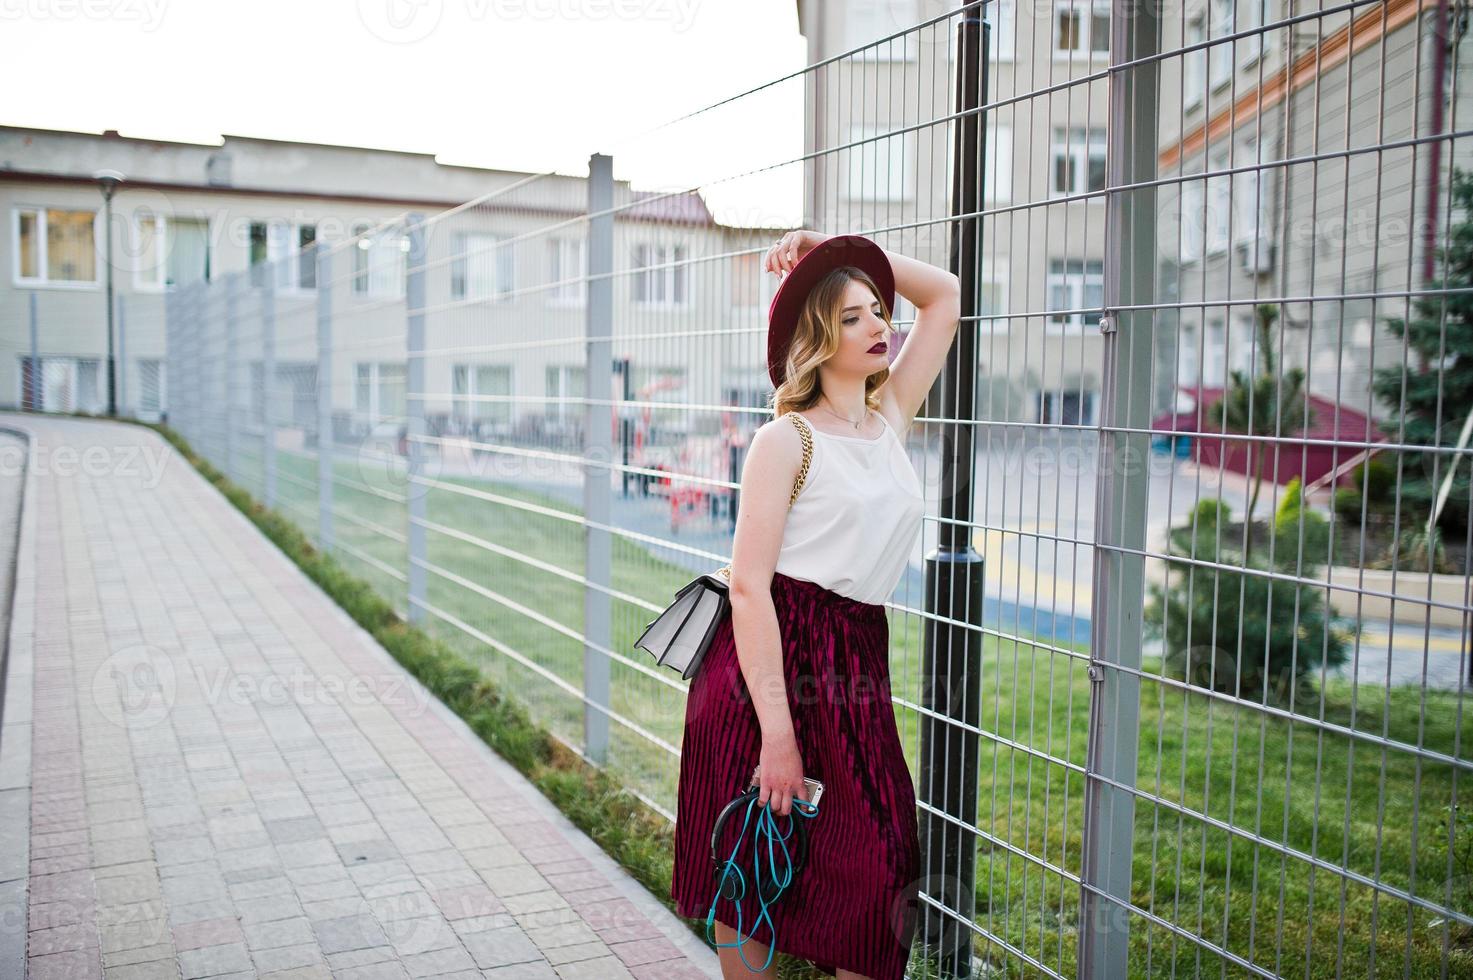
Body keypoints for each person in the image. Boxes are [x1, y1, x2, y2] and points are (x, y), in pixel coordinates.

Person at [670, 231, 962, 980]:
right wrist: (778, 733)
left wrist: (831, 248)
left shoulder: (888, 414)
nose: (878, 327)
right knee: (754, 862)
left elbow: (945, 295)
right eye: (854, 317)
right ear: (817, 338)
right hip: (768, 662)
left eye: (876, 311)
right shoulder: (785, 439)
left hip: (855, 656)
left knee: (877, 861)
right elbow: (748, 585)